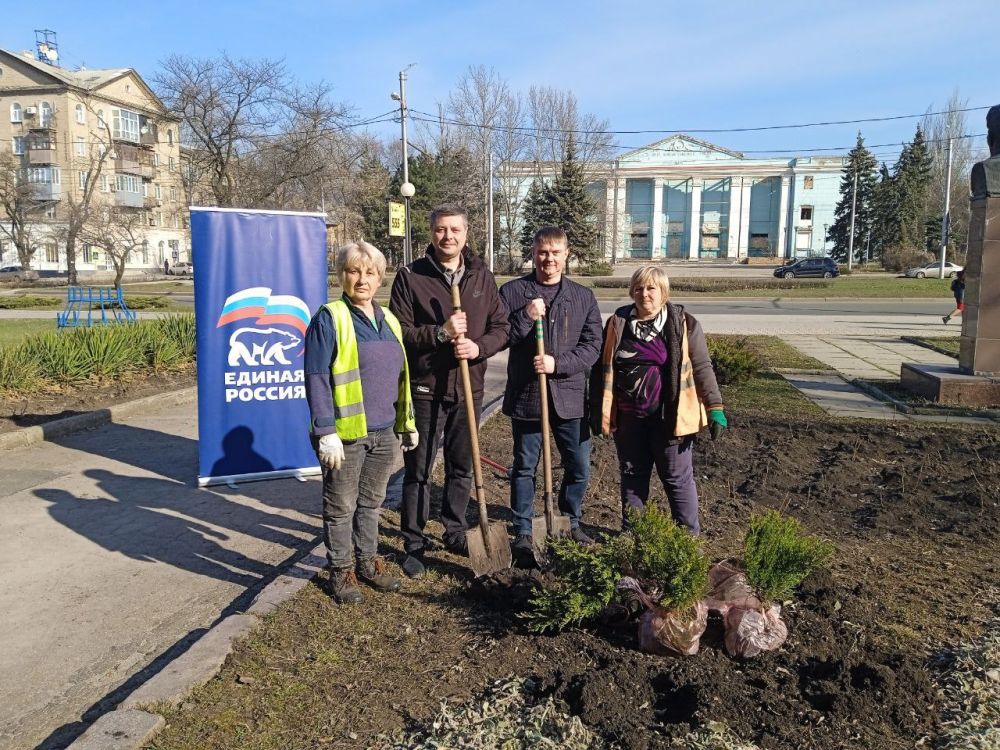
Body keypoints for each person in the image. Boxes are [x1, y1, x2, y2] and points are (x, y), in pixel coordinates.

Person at [389, 204, 510, 578]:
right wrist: (440, 333)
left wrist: (478, 348)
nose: (448, 237)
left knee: (461, 467)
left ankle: (454, 529)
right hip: (426, 389)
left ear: (466, 233)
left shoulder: (480, 276)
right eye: (441, 230)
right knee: (420, 469)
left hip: (468, 388)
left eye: (455, 230)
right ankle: (414, 540)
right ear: (431, 232)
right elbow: (400, 332)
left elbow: (501, 327)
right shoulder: (411, 276)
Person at [304, 241, 418, 604]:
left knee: (371, 503)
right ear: (342, 275)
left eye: (370, 272)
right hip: (346, 435)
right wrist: (325, 431)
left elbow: (400, 377)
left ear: (380, 277)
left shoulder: (390, 321)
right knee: (341, 506)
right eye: (354, 271)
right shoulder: (331, 317)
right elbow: (317, 375)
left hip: (385, 432)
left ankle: (368, 562)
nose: (362, 279)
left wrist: (407, 422)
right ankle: (342, 571)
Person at [590, 266, 726, 535]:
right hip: (630, 421)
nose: (645, 294)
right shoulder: (618, 323)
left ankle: (687, 541)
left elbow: (702, 366)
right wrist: (597, 411)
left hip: (670, 419)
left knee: (677, 480)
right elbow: (601, 368)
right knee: (632, 477)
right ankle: (633, 537)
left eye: (651, 288)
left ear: (664, 292)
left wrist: (715, 406)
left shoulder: (683, 323)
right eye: (639, 288)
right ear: (631, 291)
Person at [499, 227, 602, 561]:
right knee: (525, 466)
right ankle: (524, 530)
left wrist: (558, 363)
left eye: (556, 252)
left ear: (566, 254)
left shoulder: (583, 296)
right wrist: (525, 318)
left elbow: (593, 346)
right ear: (533, 252)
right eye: (543, 252)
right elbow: (501, 336)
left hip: (570, 397)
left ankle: (570, 520)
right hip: (528, 395)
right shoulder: (514, 292)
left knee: (578, 465)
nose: (549, 259)